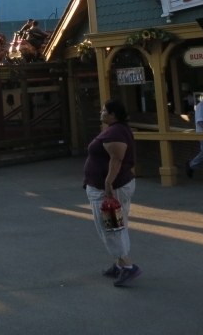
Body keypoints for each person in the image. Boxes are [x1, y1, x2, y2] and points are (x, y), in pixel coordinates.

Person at [83, 100, 140, 287]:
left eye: (104, 110)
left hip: (108, 190)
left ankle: (127, 265)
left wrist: (108, 182)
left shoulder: (115, 132)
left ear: (113, 114)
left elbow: (116, 158)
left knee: (111, 228)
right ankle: (118, 264)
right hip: (108, 187)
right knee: (116, 226)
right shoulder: (117, 129)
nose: (101, 112)